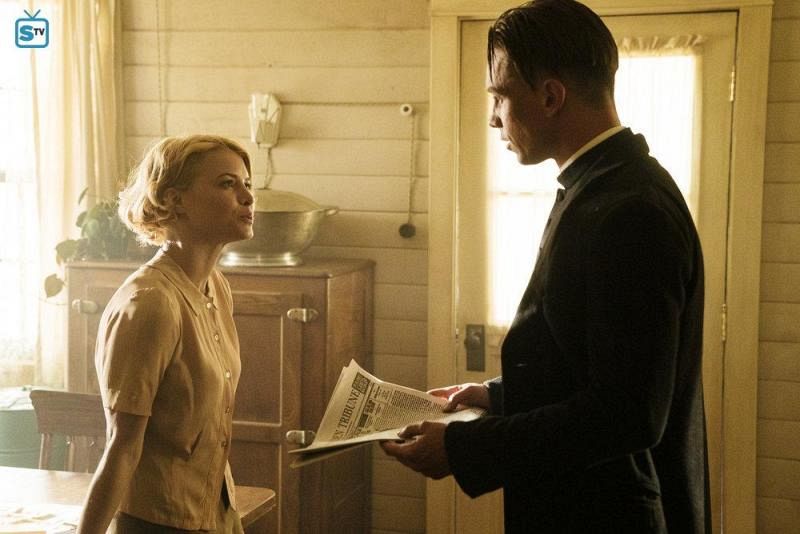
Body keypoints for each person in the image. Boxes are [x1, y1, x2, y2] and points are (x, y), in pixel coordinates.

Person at [381, 1, 709, 532]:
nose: (493, 117)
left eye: (500, 96)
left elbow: (627, 414)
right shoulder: (604, 185)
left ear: (551, 96)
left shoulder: (631, 211)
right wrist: (496, 395)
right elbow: (587, 359)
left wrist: (463, 447)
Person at [77, 134, 255, 534]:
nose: (247, 197)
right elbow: (122, 447)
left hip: (216, 514)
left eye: (247, 184)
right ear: (175, 200)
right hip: (158, 522)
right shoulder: (150, 303)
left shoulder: (216, 286)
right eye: (227, 184)